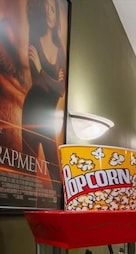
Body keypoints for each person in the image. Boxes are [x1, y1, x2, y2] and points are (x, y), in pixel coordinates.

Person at [21, 0, 66, 184]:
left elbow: (60, 91)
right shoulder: (34, 41)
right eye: (46, 9)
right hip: (31, 113)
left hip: (48, 119)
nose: (49, 13)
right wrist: (53, 81)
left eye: (53, 10)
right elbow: (39, 85)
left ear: (56, 16)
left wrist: (41, 70)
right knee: (28, 172)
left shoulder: (60, 51)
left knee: (55, 174)